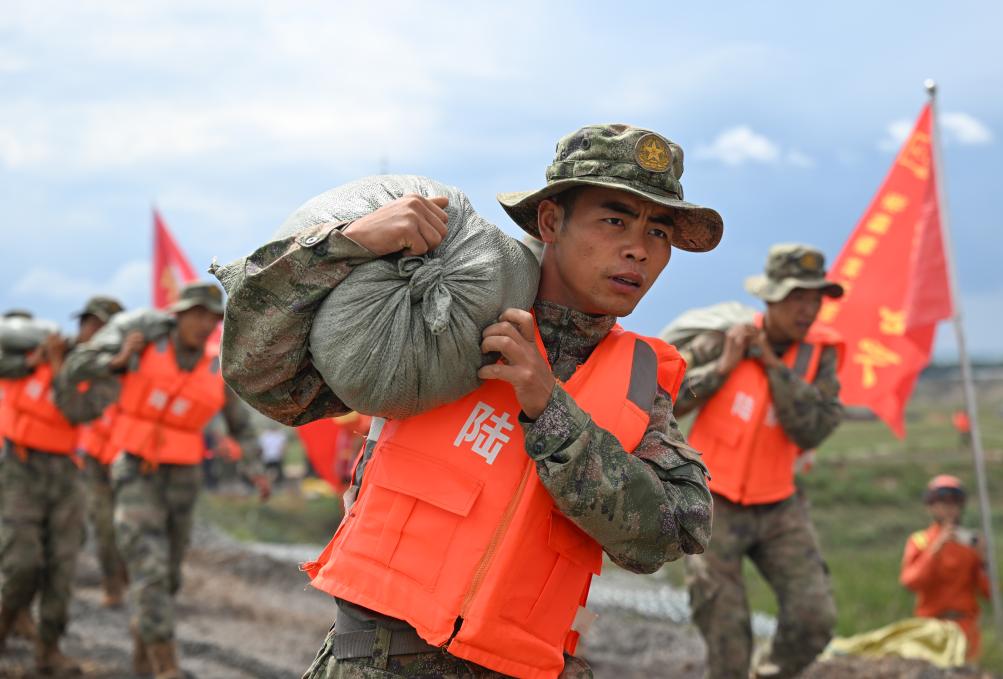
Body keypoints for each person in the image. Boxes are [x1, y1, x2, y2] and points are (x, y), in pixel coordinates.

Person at [213, 124, 721, 679]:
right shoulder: (441, 310)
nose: (637, 250)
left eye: (659, 233)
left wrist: (549, 410)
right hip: (379, 662)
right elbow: (269, 379)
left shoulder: (642, 375)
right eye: (615, 220)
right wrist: (345, 245)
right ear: (551, 221)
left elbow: (672, 532)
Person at [61, 282, 271, 679]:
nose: (203, 323)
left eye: (211, 317)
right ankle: (166, 666)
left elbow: (240, 426)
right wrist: (117, 360)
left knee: (169, 576)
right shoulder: (139, 349)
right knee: (150, 568)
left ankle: (145, 650)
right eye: (195, 314)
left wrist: (256, 469)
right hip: (136, 469)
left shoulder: (215, 365)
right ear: (176, 315)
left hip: (183, 477)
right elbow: (75, 367)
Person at [677, 244, 845, 679]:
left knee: (814, 618)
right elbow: (669, 400)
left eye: (815, 299)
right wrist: (723, 367)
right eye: (796, 297)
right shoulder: (721, 338)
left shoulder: (819, 356)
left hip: (779, 505)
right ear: (770, 297)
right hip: (714, 503)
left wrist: (773, 366)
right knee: (727, 631)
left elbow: (813, 429)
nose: (808, 309)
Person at [0, 295, 121, 674]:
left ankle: (48, 649)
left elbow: (74, 410)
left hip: (66, 475)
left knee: (61, 567)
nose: (90, 330)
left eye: (100, 325)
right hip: (20, 468)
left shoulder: (106, 375)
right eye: (86, 322)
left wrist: (55, 367)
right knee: (21, 564)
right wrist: (32, 362)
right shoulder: (34, 349)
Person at [901, 474, 990, 660]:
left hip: (965, 626)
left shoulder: (970, 545)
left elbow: (989, 593)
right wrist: (935, 550)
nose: (949, 509)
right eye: (942, 503)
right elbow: (910, 582)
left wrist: (984, 561)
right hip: (931, 627)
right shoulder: (919, 541)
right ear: (931, 506)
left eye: (954, 503)